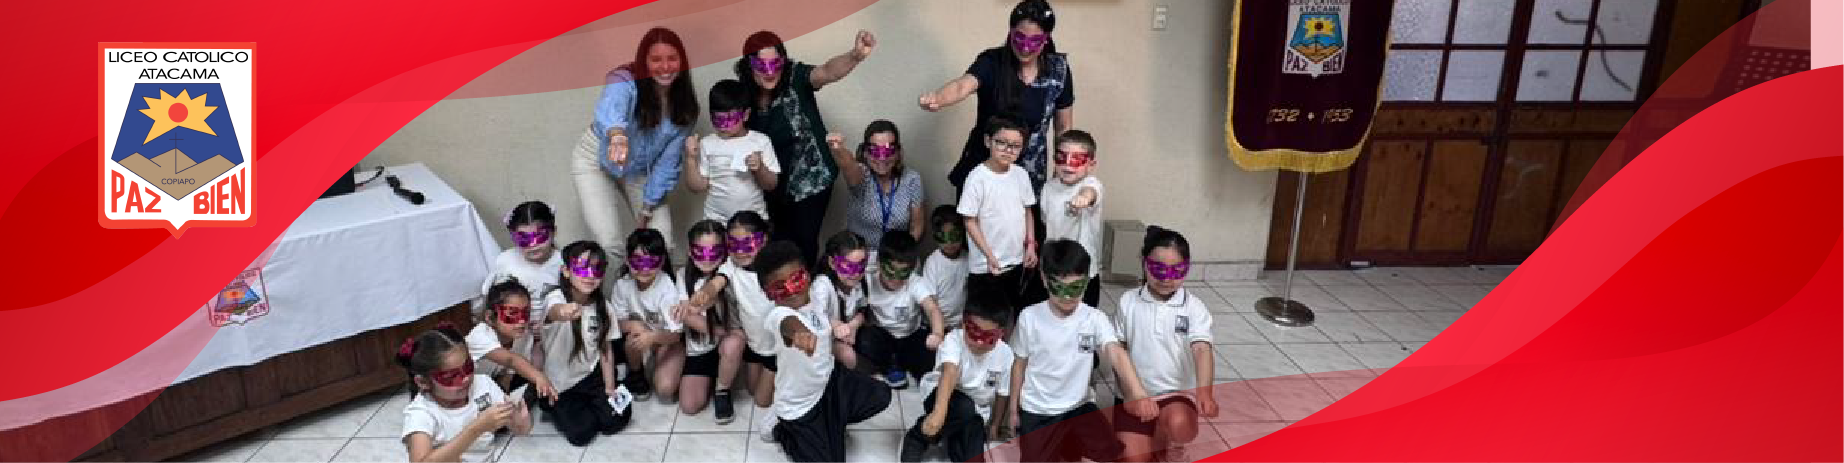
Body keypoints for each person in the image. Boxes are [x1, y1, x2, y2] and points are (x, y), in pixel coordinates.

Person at [737, 29, 877, 264]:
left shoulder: (795, 76)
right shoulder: (744, 95)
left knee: (804, 241)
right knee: (776, 243)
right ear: (748, 65)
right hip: (772, 180)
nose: (770, 71)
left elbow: (827, 72)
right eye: (761, 65)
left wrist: (855, 55)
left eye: (776, 63)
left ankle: (807, 283)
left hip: (812, 178)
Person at [1011, 240, 1156, 463]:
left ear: (1087, 281)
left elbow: (1116, 352)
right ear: (1044, 279)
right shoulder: (1029, 318)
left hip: (1078, 407)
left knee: (1112, 453)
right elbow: (1019, 364)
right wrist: (1013, 410)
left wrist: (1138, 393)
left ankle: (1069, 448)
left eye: (1075, 288)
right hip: (1039, 410)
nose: (1067, 297)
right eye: (1059, 288)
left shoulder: (1094, 318)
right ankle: (1062, 448)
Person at [756, 240, 894, 463]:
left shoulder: (815, 299)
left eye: (796, 280)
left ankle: (834, 422)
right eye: (780, 288)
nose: (792, 290)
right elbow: (789, 324)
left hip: (830, 382)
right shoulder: (778, 315)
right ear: (769, 295)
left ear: (807, 275)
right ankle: (781, 430)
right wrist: (800, 334)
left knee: (881, 394)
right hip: (801, 406)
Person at [921, 0, 1073, 193]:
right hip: (984, 168)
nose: (1025, 48)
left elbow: (1063, 127)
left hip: (1029, 173)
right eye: (1019, 38)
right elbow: (962, 86)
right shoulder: (991, 61)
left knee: (1025, 213)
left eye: (1034, 41)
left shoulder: (1058, 70)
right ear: (1010, 32)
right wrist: (938, 98)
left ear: (1046, 39)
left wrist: (1062, 170)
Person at [573, 27, 698, 260]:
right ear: (644, 61)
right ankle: (617, 283)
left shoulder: (685, 107)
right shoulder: (624, 80)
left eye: (672, 58)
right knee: (609, 243)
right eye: (656, 59)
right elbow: (612, 107)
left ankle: (657, 284)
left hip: (638, 169)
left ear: (682, 61)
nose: (665, 67)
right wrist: (617, 136)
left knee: (662, 242)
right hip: (594, 160)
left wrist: (647, 207)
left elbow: (667, 163)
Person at [1112, 226, 1219, 462]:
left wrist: (1205, 392)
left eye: (1176, 271)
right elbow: (1118, 352)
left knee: (1180, 426)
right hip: (1135, 393)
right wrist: (1130, 394)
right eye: (1158, 269)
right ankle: (1152, 435)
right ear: (1144, 263)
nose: (1166, 278)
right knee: (1132, 458)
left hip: (1175, 395)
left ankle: (1169, 440)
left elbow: (1202, 349)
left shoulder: (1194, 308)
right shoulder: (1128, 301)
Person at [683, 211, 781, 441]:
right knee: (753, 390)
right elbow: (716, 284)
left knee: (763, 401)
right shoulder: (731, 267)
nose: (741, 251)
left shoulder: (775, 267)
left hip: (777, 348)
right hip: (753, 347)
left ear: (764, 239)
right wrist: (703, 295)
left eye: (748, 244)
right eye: (734, 245)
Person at [899, 284, 1015, 463]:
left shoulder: (1006, 354)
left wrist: (995, 424)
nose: (979, 342)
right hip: (944, 398)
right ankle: (918, 437)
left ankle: (950, 435)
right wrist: (938, 414)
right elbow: (949, 373)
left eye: (988, 337)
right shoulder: (954, 340)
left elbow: (1002, 393)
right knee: (964, 408)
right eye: (974, 332)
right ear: (963, 323)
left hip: (976, 413)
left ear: (1001, 334)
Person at [538, 242, 631, 446]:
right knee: (581, 434)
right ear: (566, 271)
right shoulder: (555, 298)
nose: (590, 276)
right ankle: (554, 407)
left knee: (616, 419)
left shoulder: (604, 307)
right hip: (561, 383)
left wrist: (610, 387)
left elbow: (606, 349)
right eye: (582, 269)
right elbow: (554, 311)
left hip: (591, 376)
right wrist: (564, 311)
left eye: (597, 270)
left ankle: (590, 406)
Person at [398, 326, 532, 463]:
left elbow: (520, 429)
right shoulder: (421, 413)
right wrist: (477, 428)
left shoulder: (483, 384)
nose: (466, 378)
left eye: (468, 367)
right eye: (452, 376)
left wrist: (520, 420)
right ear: (423, 382)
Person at [958, 117, 1039, 313]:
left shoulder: (1021, 174)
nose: (1008, 150)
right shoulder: (977, 178)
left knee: (1011, 310)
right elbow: (969, 220)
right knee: (985, 316)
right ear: (988, 141)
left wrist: (1030, 245)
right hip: (986, 266)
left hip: (1016, 260)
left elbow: (1028, 211)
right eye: (1001, 143)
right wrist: (989, 255)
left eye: (1015, 146)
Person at [673, 220, 749, 423]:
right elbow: (687, 315)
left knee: (734, 343)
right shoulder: (683, 275)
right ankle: (714, 377)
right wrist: (721, 331)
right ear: (690, 252)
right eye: (700, 251)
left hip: (728, 344)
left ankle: (722, 390)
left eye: (714, 251)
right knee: (689, 406)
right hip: (699, 349)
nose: (707, 259)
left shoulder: (731, 274)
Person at [482, 201, 566, 380]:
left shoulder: (562, 262)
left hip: (553, 330)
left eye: (540, 237)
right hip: (516, 329)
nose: (533, 245)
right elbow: (493, 298)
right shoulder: (506, 261)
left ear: (554, 232)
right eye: (523, 239)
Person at [857, 231, 948, 389]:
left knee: (931, 357)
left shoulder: (915, 282)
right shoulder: (867, 278)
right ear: (878, 263)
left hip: (910, 335)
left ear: (911, 269)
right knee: (864, 339)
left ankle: (907, 364)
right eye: (890, 270)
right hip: (882, 335)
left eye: (903, 272)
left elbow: (932, 308)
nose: (895, 278)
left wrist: (938, 334)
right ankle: (890, 365)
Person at [684, 79, 780, 222]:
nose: (724, 125)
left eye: (730, 119)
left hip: (753, 221)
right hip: (716, 220)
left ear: (746, 115)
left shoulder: (761, 141)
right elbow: (697, 187)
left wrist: (759, 168)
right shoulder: (707, 143)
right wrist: (690, 159)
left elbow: (771, 185)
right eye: (718, 119)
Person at [826, 120, 925, 252]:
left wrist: (902, 255)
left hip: (898, 254)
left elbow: (916, 226)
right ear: (865, 153)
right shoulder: (861, 176)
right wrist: (837, 150)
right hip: (861, 255)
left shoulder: (912, 179)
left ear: (898, 153)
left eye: (889, 150)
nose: (882, 158)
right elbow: (848, 165)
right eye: (875, 151)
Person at [612, 229, 685, 403]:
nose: (644, 269)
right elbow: (616, 323)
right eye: (638, 261)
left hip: (668, 339)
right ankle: (636, 374)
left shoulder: (667, 288)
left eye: (652, 262)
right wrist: (632, 326)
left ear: (662, 261)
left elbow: (676, 335)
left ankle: (675, 364)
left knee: (665, 389)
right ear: (627, 260)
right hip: (640, 336)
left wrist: (652, 337)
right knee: (633, 334)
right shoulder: (622, 285)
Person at [462, 280, 559, 406]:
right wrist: (539, 377)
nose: (522, 321)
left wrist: (505, 400)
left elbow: (508, 375)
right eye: (512, 314)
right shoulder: (480, 336)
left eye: (526, 313)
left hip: (489, 386)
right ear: (489, 317)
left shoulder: (523, 337)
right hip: (463, 391)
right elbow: (511, 360)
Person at [1038, 130, 1105, 307]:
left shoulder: (1091, 183)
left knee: (1083, 312)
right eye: (1061, 157)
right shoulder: (1048, 188)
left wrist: (1083, 199)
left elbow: (1090, 192)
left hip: (1083, 268)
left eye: (1077, 159)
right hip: (1055, 265)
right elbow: (1046, 223)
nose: (1068, 164)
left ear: (1091, 164)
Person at [812, 231, 871, 371]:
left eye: (860, 266)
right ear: (832, 263)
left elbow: (863, 309)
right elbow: (814, 317)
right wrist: (835, 325)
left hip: (847, 332)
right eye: (848, 266)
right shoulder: (822, 285)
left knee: (873, 340)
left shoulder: (860, 281)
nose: (855, 273)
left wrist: (854, 325)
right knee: (847, 355)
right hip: (824, 338)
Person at [920, 205, 971, 328]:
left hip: (961, 323)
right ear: (935, 236)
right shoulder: (932, 263)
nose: (949, 243)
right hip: (938, 323)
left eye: (954, 237)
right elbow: (931, 300)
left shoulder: (969, 259)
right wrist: (939, 326)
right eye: (943, 237)